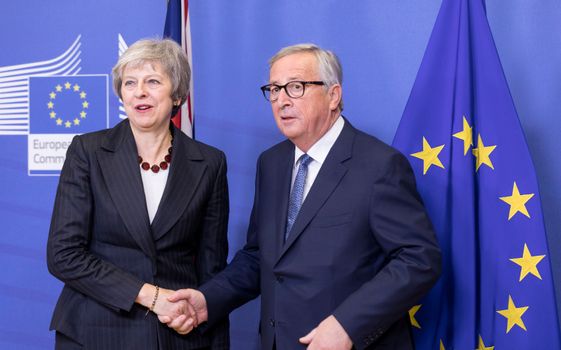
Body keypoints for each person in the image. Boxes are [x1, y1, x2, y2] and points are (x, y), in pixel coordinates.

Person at [164, 43, 441, 349]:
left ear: (333, 95)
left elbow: (418, 260)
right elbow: (261, 256)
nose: (281, 100)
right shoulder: (271, 163)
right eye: (274, 89)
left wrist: (347, 325)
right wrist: (207, 299)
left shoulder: (379, 165)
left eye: (295, 87)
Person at [47, 38, 229, 349]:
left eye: (153, 81)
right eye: (130, 82)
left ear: (177, 94)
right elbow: (63, 256)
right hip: (95, 330)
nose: (139, 91)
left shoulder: (209, 162)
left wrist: (210, 335)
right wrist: (151, 296)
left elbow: (211, 269)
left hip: (176, 334)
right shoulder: (88, 152)